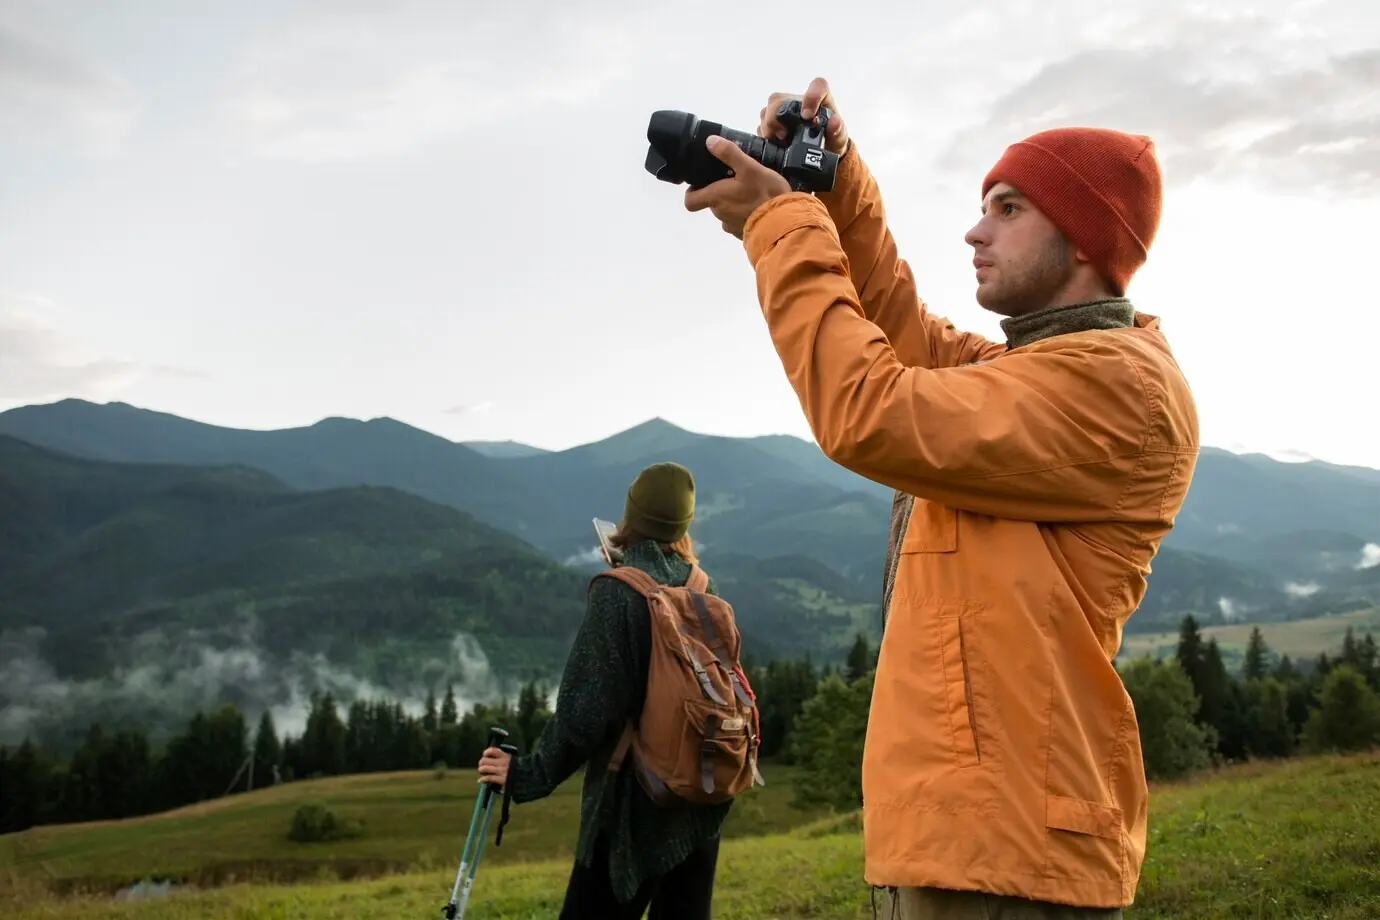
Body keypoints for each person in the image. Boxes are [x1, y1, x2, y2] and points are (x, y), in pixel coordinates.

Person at [682, 78, 1199, 918]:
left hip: (1011, 850)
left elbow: (871, 409)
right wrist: (833, 177)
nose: (975, 230)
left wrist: (779, 221)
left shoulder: (1118, 389)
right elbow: (898, 330)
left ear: (1084, 237)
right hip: (970, 835)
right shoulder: (1037, 371)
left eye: (1008, 209)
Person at [476, 461, 731, 919]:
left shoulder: (617, 594)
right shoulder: (703, 585)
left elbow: (585, 712)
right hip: (700, 793)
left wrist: (527, 774)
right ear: (683, 525)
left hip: (632, 807)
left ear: (630, 517)